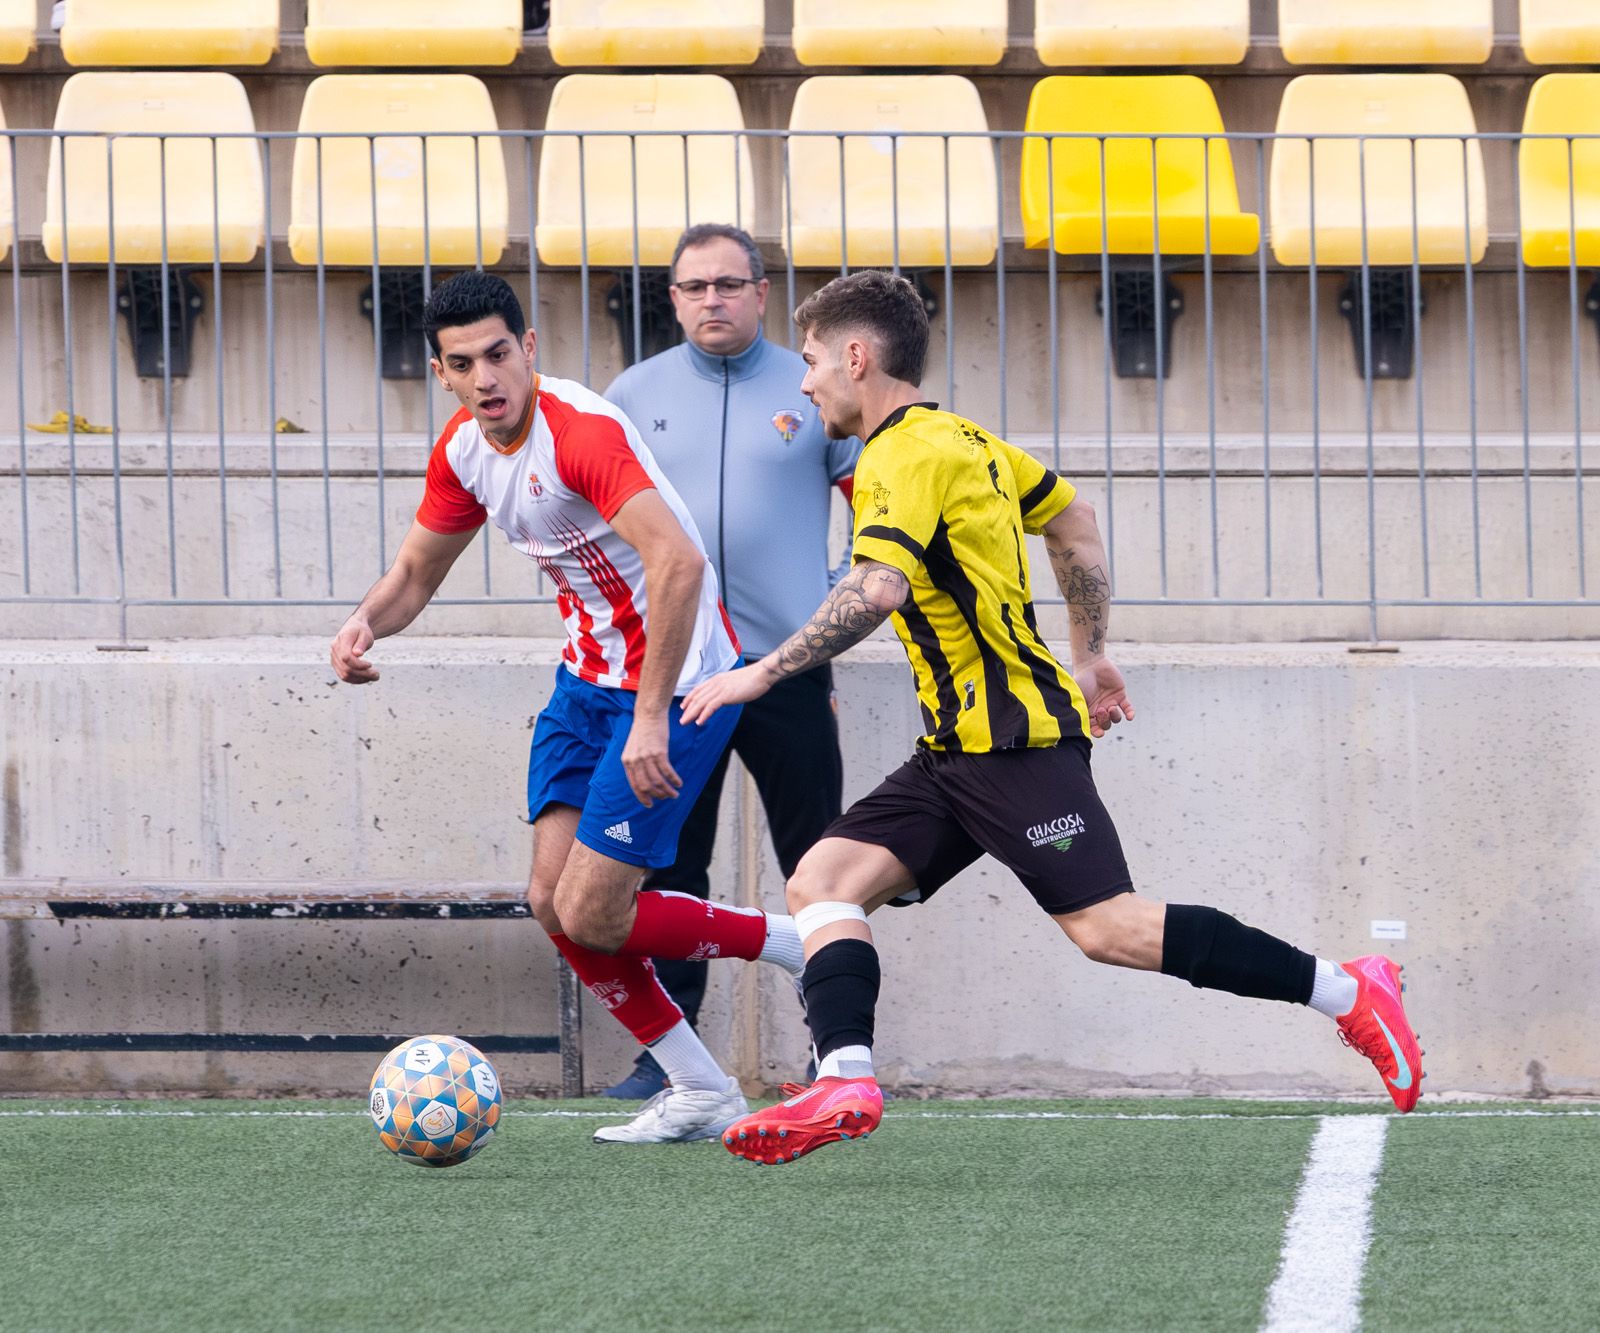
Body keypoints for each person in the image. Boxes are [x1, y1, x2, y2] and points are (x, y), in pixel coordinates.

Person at [679, 271, 1425, 1165]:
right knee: (821, 882)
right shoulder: (973, 443)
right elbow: (1074, 518)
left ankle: (1351, 990)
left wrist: (762, 671)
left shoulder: (898, 455)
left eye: (809, 363)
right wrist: (1091, 650)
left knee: (1108, 928)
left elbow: (877, 587)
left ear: (856, 355)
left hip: (1014, 743)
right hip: (955, 747)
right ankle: (846, 1075)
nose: (804, 384)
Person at [329, 271, 807, 1144]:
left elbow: (679, 565)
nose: (486, 378)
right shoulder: (464, 450)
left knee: (594, 910)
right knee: (552, 903)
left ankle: (789, 942)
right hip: (584, 685)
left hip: (680, 684)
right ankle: (701, 1087)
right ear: (441, 372)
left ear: (530, 350)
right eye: (464, 363)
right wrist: (365, 624)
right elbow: (414, 576)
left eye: (500, 354)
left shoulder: (578, 432)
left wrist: (655, 714)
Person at [598, 223, 860, 1100]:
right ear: (671, 299)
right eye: (694, 287)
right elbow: (601, 523)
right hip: (679, 676)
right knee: (669, 866)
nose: (712, 299)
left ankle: (836, 1049)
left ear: (761, 291)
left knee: (821, 862)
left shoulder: (812, 384)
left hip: (785, 669)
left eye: (729, 284)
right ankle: (672, 1064)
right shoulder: (632, 396)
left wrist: (832, 594)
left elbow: (873, 501)